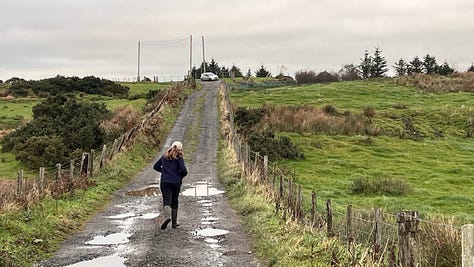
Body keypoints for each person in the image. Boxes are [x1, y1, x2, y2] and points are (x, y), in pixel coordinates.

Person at [153, 141, 188, 230]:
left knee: (166, 200)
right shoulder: (179, 157)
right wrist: (180, 176)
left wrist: (164, 172)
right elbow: (184, 170)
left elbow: (156, 166)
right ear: (180, 149)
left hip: (165, 182)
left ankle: (167, 217)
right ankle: (174, 223)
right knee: (174, 200)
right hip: (176, 182)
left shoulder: (165, 156)